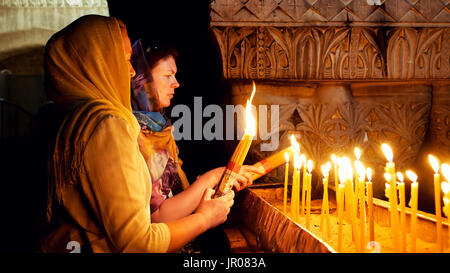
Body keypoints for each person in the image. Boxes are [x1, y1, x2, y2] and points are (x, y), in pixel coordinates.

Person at [38, 14, 244, 253]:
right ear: (98, 64)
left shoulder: (69, 119)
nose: (132, 72)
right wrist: (205, 218)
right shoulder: (108, 125)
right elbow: (138, 242)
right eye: (124, 60)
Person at [129, 39, 263, 229]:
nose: (176, 83)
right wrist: (211, 178)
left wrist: (219, 181)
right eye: (168, 75)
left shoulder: (159, 128)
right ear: (142, 80)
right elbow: (156, 218)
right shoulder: (134, 134)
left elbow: (174, 195)